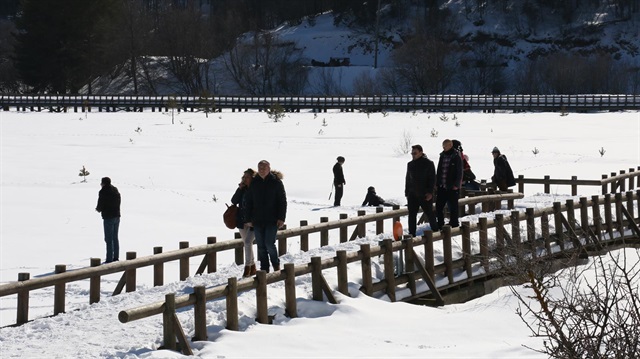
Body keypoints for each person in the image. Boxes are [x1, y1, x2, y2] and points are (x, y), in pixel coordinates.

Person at [245, 160, 287, 273]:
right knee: (261, 246)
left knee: (269, 243)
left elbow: (282, 201)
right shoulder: (255, 182)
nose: (261, 170)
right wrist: (248, 219)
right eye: (259, 168)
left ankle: (276, 265)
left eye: (264, 168)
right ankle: (264, 269)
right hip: (257, 220)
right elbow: (248, 201)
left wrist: (281, 218)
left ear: (269, 168)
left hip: (272, 219)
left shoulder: (276, 182)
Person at [404, 144, 438, 236]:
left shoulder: (428, 163)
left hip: (424, 194)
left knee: (429, 213)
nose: (413, 155)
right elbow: (408, 179)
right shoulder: (410, 164)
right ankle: (411, 234)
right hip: (412, 194)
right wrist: (407, 192)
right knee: (412, 215)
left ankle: (436, 231)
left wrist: (430, 192)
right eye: (412, 153)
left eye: (415, 153)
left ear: (421, 153)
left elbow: (432, 179)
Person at [231, 168, 256, 278]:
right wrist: (239, 189)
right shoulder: (243, 189)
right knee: (247, 244)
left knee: (247, 242)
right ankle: (253, 266)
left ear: (252, 178)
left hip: (253, 222)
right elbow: (234, 201)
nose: (245, 179)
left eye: (247, 177)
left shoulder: (256, 189)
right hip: (242, 221)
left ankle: (247, 267)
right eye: (244, 177)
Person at [436, 139, 464, 229]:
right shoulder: (442, 155)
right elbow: (439, 170)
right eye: (443, 146)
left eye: (445, 146)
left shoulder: (456, 156)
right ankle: (440, 224)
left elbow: (459, 171)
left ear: (450, 145)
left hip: (452, 186)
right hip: (442, 186)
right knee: (439, 206)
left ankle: (454, 223)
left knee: (453, 207)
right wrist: (437, 183)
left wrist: (456, 185)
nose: (443, 148)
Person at [95, 177, 121, 264]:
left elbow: (101, 203)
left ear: (104, 183)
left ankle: (109, 258)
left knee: (108, 238)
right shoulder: (115, 190)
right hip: (117, 216)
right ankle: (116, 257)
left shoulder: (103, 191)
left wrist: (98, 209)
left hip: (108, 217)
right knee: (115, 237)